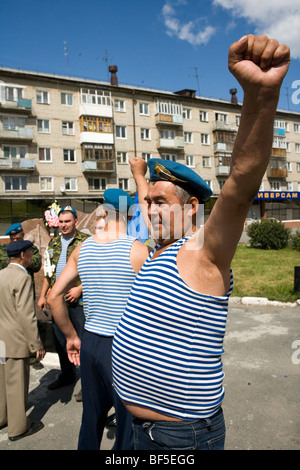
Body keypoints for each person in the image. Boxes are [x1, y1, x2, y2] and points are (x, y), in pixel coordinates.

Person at [111, 34, 291, 450]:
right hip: (140, 430)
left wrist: (261, 96)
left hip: (180, 438)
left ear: (191, 208)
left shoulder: (203, 252)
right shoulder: (160, 249)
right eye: (147, 203)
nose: (149, 210)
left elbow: (240, 184)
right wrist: (143, 179)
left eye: (161, 203)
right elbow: (146, 202)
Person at [47, 189, 150, 450]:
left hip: (91, 342)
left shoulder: (81, 249)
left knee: (91, 417)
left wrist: (71, 336)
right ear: (129, 215)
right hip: (124, 344)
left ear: (102, 213)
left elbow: (53, 296)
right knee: (128, 421)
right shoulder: (139, 251)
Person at [37, 206, 89, 391]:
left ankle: (88, 382)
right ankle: (66, 375)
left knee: (83, 342)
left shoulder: (87, 242)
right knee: (60, 340)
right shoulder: (54, 243)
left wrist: (79, 289)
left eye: (67, 221)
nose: (63, 225)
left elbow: (96, 271)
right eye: (61, 222)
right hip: (57, 301)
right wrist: (43, 295)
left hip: (79, 302)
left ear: (76, 222)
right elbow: (48, 273)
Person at [0, 240, 45, 441]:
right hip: (16, 340)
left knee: (1, 383)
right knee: (17, 385)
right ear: (22, 256)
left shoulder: (1, 274)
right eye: (29, 253)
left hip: (1, 338)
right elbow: (27, 315)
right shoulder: (23, 278)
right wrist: (36, 344)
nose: (30, 256)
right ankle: (18, 428)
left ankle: (2, 418)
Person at [0, 223, 42, 299]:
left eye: (18, 239)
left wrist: (25, 257)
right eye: (12, 239)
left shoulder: (31, 249)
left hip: (25, 290)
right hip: (6, 291)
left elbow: (37, 266)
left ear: (23, 235)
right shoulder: (2, 250)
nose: (15, 241)